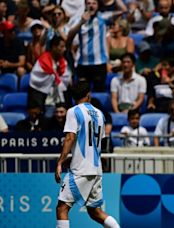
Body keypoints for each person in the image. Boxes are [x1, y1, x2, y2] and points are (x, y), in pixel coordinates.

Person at [54, 82, 120, 228]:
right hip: (96, 170)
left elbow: (70, 138)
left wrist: (60, 162)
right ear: (88, 95)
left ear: (73, 97)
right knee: (95, 212)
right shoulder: (100, 114)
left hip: (80, 170)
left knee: (62, 208)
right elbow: (94, 145)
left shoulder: (73, 111)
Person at [67, 0, 124, 92]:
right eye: (89, 3)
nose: (91, 6)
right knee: (82, 94)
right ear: (85, 5)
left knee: (98, 93)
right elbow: (70, 36)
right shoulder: (78, 19)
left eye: (94, 3)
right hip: (83, 63)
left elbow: (123, 11)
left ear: (98, 5)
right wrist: (81, 22)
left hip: (99, 63)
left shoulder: (103, 17)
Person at [28, 36, 71, 116]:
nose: (64, 49)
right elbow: (36, 80)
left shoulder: (63, 62)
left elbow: (65, 80)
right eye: (61, 47)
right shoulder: (43, 61)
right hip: (41, 97)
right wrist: (53, 77)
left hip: (59, 98)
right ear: (54, 47)